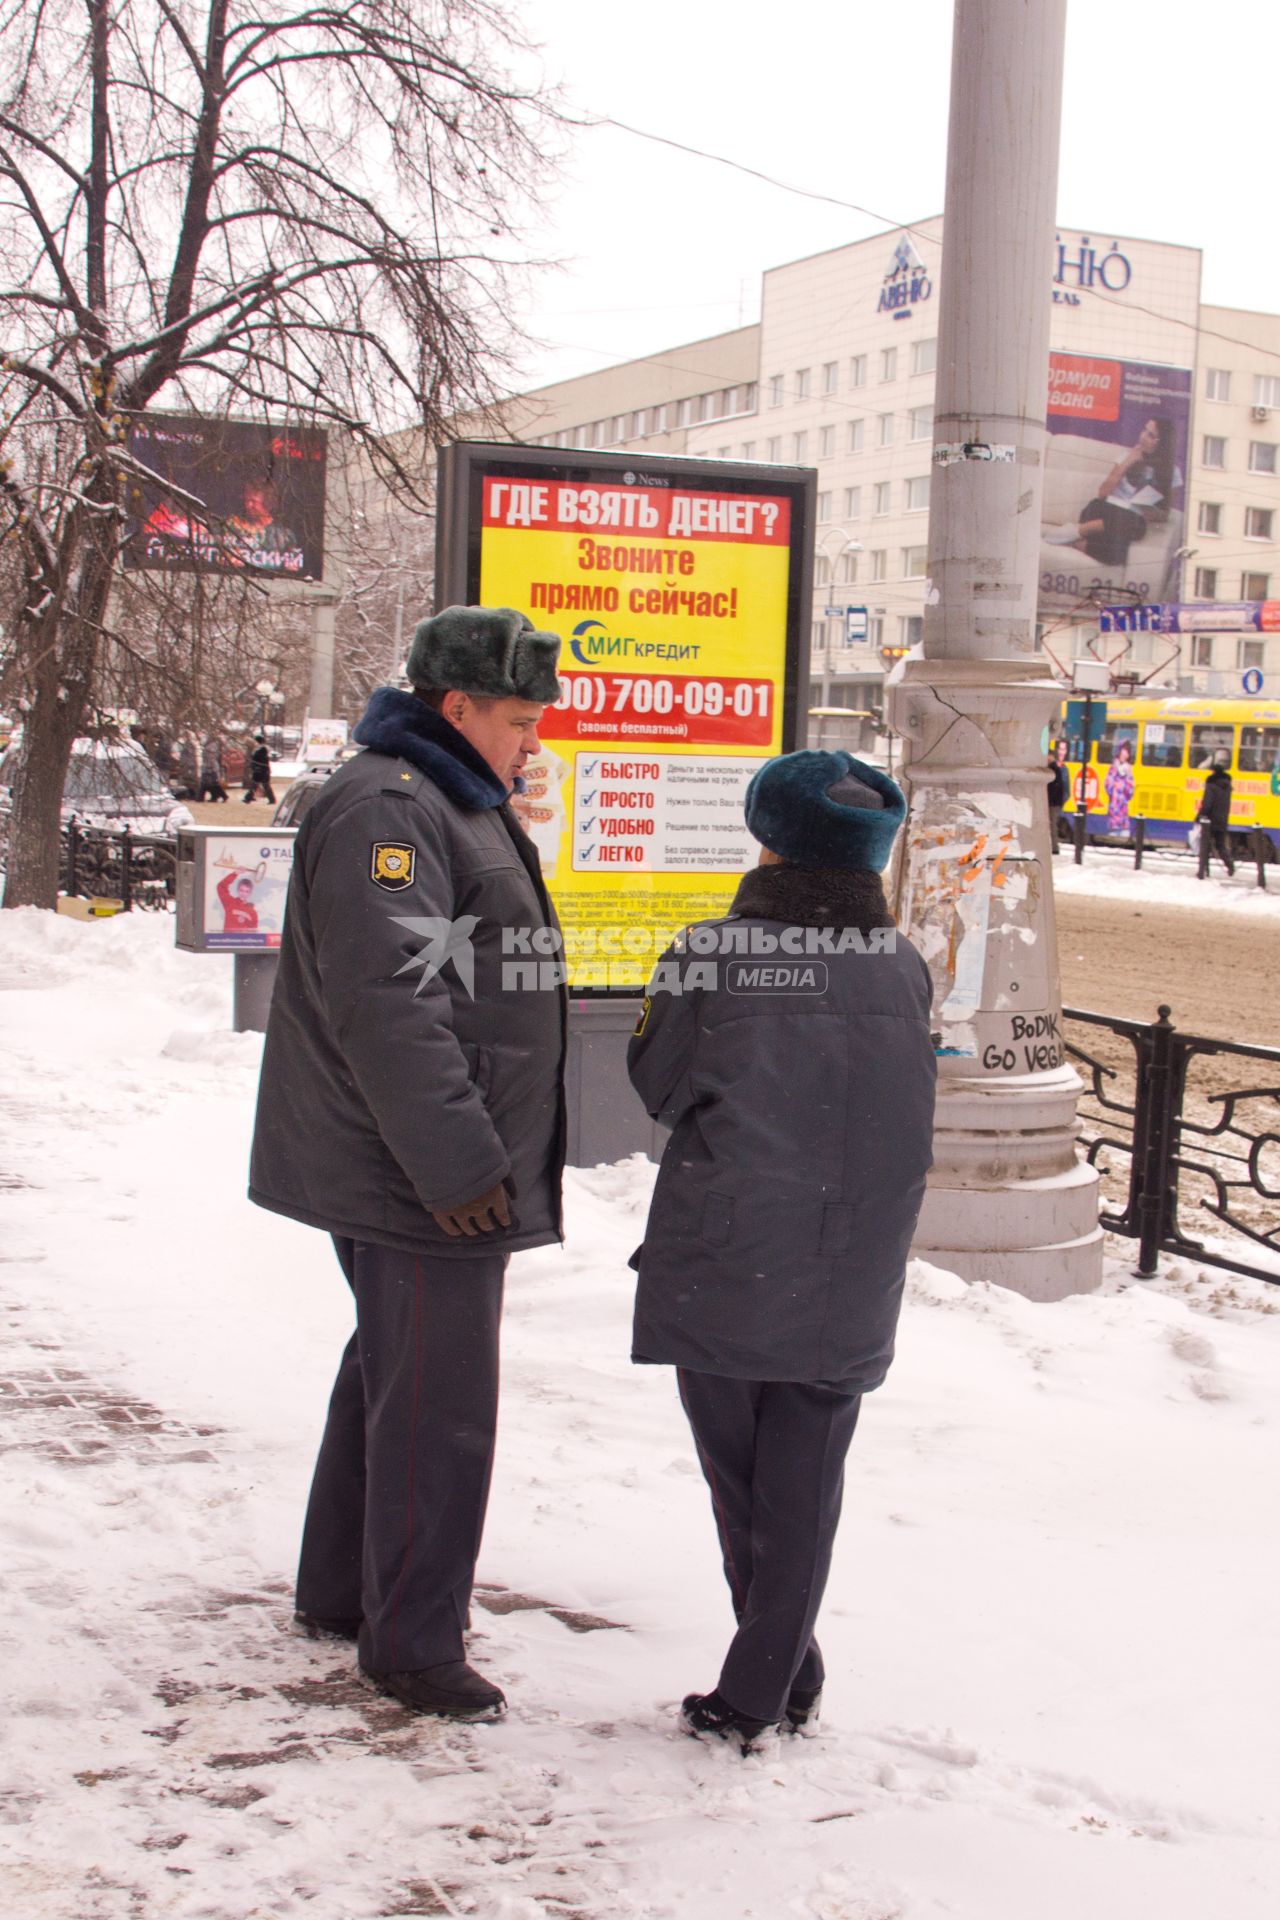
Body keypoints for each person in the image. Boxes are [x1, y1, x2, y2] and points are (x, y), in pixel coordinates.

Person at [249, 605, 566, 1722]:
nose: (530, 743)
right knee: (437, 1404)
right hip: (421, 1173)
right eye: (517, 721)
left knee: (391, 1375)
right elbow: (390, 1001)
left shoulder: (438, 796)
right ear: (456, 707)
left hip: (423, 1162)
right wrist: (457, 1163)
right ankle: (413, 1646)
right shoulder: (394, 803)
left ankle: (345, 1592)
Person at [627, 750, 937, 1753]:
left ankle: (759, 1689)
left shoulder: (710, 956)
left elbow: (659, 1086)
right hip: (849, 1260)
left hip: (730, 1252)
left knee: (738, 1477)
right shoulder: (900, 968)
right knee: (802, 1481)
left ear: (768, 840)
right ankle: (781, 1668)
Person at [1044, 417, 1180, 568]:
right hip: (1103, 510)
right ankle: (1080, 529)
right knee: (1124, 522)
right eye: (1144, 430)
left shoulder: (1171, 473)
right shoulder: (1127, 456)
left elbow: (1164, 514)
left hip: (1131, 521)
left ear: (1161, 443)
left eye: (1151, 435)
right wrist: (1127, 462)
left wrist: (1150, 512)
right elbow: (1103, 493)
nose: (1143, 436)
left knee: (1120, 550)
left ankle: (1076, 539)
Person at [1195, 759, 1235, 877]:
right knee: (1220, 845)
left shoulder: (1211, 785)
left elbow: (1207, 804)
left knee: (1205, 846)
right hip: (1222, 819)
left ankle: (1203, 871)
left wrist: (1199, 816)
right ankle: (1230, 865)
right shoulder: (1227, 786)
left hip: (1210, 821)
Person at [1104, 737, 1135, 837]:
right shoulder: (1113, 767)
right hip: (1114, 807)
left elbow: (1130, 789)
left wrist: (1124, 787)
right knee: (1113, 832)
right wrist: (1118, 786)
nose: (1125, 754)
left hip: (1123, 808)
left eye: (1127, 752)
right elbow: (1108, 784)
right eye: (1124, 751)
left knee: (1124, 832)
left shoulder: (1128, 769)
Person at [217, 867, 259, 932]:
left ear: (250, 893)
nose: (243, 893)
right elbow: (221, 887)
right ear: (237, 890)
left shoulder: (253, 913)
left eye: (247, 891)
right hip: (227, 940)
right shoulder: (230, 902)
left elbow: (253, 935)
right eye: (241, 890)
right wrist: (235, 873)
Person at [242, 733, 276, 804]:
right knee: (263, 785)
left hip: (260, 770)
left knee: (257, 785)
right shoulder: (261, 749)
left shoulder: (261, 749)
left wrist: (254, 764)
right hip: (262, 770)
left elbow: (260, 760)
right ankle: (271, 799)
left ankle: (248, 798)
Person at [1046, 746, 1068, 855]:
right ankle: (1053, 847)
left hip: (1053, 803)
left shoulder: (1052, 769)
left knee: (1052, 825)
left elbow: (1054, 788)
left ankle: (1054, 848)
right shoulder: (1055, 768)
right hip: (1055, 803)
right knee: (1051, 825)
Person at [199, 734, 229, 803]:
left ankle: (222, 796)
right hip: (208, 767)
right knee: (210, 784)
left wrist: (209, 768)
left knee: (213, 784)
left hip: (211, 768)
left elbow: (211, 758)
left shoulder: (211, 747)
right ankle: (216, 796)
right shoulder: (209, 746)